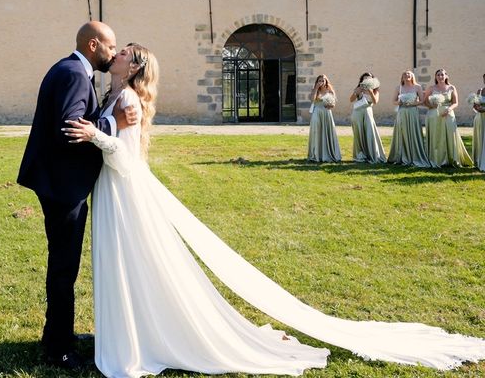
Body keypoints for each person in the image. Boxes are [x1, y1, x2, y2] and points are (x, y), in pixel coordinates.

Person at [65, 46, 485, 377]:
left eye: (124, 52)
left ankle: (138, 343)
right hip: (116, 193)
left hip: (123, 190)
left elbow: (124, 157)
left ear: (134, 67)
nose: (116, 53)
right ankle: (133, 334)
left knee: (133, 264)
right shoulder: (115, 93)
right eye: (117, 50)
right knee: (133, 267)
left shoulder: (128, 100)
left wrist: (93, 136)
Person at [17, 21, 137, 369]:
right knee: (64, 268)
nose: (113, 53)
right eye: (111, 47)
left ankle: (56, 335)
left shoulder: (70, 70)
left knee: (62, 266)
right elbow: (72, 128)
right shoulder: (73, 74)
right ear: (94, 45)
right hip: (62, 185)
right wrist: (113, 123)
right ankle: (60, 349)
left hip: (58, 182)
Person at [423, 69, 473, 168]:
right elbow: (425, 101)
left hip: (448, 114)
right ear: (435, 77)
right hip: (433, 115)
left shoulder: (451, 87)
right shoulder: (431, 88)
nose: (440, 76)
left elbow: (455, 102)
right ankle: (436, 158)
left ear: (446, 76)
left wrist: (449, 109)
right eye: (438, 75)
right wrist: (431, 106)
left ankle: (452, 158)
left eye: (442, 75)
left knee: (450, 134)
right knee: (436, 135)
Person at [387, 70, 430, 167]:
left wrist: (413, 103)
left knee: (413, 132)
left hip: (413, 112)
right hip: (402, 112)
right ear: (402, 77)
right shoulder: (399, 88)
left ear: (412, 76)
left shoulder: (417, 87)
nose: (407, 76)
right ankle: (402, 156)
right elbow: (394, 101)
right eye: (405, 74)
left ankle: (414, 156)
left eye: (409, 74)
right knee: (402, 133)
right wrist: (399, 103)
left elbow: (422, 100)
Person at [349, 72, 386, 163]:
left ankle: (372, 154)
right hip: (357, 112)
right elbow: (351, 100)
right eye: (365, 78)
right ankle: (360, 154)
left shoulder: (375, 90)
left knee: (369, 132)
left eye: (369, 78)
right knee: (359, 133)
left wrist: (370, 92)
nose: (366, 80)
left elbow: (375, 101)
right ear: (362, 80)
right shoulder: (358, 88)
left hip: (368, 112)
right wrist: (356, 92)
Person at [307, 74, 341, 162]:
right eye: (319, 80)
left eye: (323, 80)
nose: (321, 82)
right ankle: (316, 154)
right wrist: (315, 88)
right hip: (317, 112)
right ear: (317, 82)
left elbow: (333, 105)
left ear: (326, 81)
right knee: (317, 132)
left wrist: (330, 105)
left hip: (326, 113)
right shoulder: (315, 90)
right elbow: (312, 99)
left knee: (327, 132)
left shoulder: (330, 91)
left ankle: (328, 153)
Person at [472, 73, 485, 171]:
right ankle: (479, 160)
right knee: (480, 138)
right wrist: (477, 107)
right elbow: (474, 105)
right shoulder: (480, 91)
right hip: (479, 118)